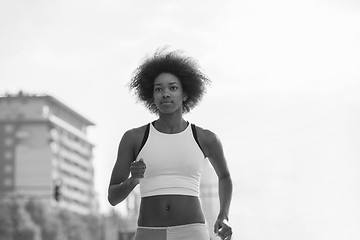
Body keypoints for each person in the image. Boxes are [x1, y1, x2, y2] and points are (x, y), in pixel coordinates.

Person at [108, 48, 233, 240]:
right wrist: (133, 181)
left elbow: (224, 177)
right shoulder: (134, 138)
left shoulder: (206, 138)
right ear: (152, 96)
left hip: (192, 232)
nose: (165, 93)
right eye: (159, 89)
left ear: (185, 94)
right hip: (148, 233)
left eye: (173, 87)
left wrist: (223, 215)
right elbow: (113, 197)